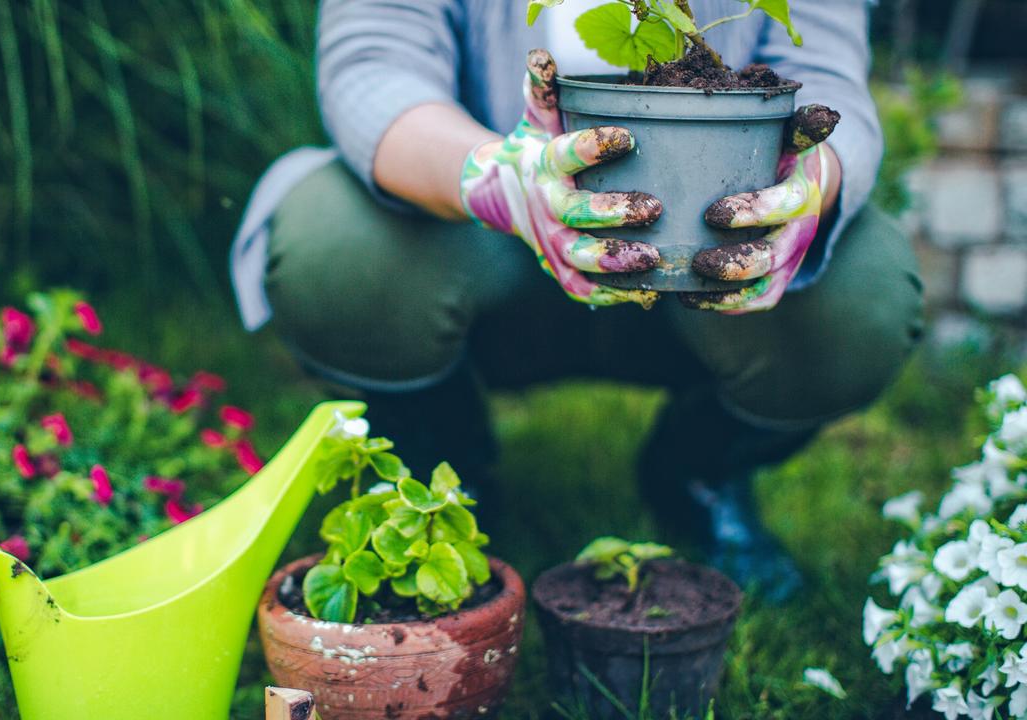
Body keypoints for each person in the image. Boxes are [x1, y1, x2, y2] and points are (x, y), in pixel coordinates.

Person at [230, 0, 924, 601]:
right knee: (335, 248)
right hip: (476, 235)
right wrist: (497, 180)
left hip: (704, 236)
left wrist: (813, 179)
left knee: (861, 297)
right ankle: (442, 457)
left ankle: (700, 469)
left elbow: (828, 72)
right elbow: (373, 66)